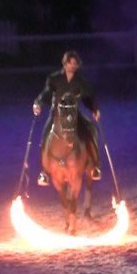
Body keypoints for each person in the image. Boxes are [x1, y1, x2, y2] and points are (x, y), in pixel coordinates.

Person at [32, 51, 101, 186]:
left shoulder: (80, 80)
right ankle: (44, 171)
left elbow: (87, 97)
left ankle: (95, 165)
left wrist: (94, 108)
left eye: (76, 64)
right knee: (46, 135)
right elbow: (46, 93)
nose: (74, 66)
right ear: (65, 63)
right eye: (71, 63)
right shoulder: (54, 78)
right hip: (56, 113)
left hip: (72, 114)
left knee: (90, 130)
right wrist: (38, 103)